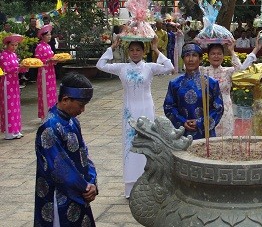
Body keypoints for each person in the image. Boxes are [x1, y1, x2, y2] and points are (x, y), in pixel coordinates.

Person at [96, 36, 174, 198]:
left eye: (138, 50)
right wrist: (112, 47)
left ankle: (149, 183)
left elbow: (169, 67)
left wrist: (156, 49)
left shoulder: (150, 68)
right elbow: (100, 65)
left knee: (149, 144)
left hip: (146, 110)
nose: (135, 53)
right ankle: (131, 186)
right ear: (127, 52)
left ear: (143, 51)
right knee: (130, 145)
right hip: (129, 111)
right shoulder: (122, 68)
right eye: (131, 50)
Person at [34, 72, 98, 226]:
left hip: (80, 190)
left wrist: (92, 180)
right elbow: (59, 168)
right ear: (65, 99)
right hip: (58, 195)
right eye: (81, 105)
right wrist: (85, 187)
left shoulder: (73, 122)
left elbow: (84, 154)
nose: (82, 110)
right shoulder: (48, 128)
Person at [164, 42, 224, 139]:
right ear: (183, 59)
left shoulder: (211, 83)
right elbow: (168, 107)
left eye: (194, 55)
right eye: (187, 55)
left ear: (200, 59)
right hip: (182, 133)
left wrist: (200, 122)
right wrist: (182, 121)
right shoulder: (175, 83)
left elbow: (218, 108)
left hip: (205, 133)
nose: (190, 59)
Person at [200, 40, 257, 136]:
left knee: (225, 139)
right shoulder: (202, 71)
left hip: (225, 109)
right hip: (207, 108)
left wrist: (231, 51)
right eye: (213, 54)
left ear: (223, 56)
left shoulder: (228, 71)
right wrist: (197, 44)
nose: (216, 56)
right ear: (208, 56)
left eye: (219, 53)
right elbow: (188, 65)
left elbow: (240, 69)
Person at [0, 34, 26, 139]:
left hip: (14, 82)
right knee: (9, 105)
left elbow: (17, 69)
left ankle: (16, 129)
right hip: (7, 83)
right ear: (7, 44)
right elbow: (6, 69)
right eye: (12, 45)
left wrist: (24, 68)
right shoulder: (3, 55)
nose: (14, 47)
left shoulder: (14, 55)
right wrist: (18, 68)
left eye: (16, 45)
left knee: (16, 105)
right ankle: (9, 131)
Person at [35, 24, 58, 120]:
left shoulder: (48, 46)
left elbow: (51, 58)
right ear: (42, 36)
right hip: (44, 72)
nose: (49, 37)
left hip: (51, 71)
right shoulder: (39, 47)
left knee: (52, 92)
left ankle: (51, 112)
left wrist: (55, 61)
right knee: (45, 92)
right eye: (48, 35)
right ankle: (44, 114)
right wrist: (47, 61)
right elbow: (37, 60)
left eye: (50, 35)